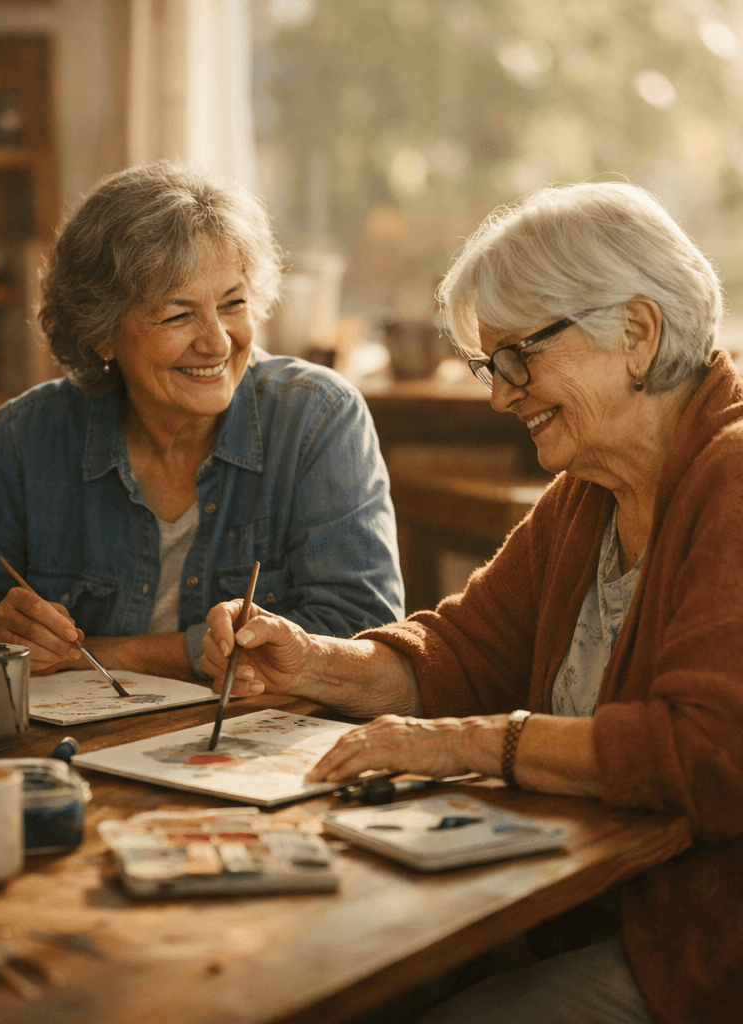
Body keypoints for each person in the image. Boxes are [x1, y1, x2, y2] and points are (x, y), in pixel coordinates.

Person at [203, 182, 743, 1023]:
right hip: (579, 902)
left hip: (699, 946)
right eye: (492, 366)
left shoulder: (733, 475)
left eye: (519, 359)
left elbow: (708, 753)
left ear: (636, 332)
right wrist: (314, 660)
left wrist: (471, 742)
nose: (500, 395)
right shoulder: (588, 493)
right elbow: (459, 655)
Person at [0, 161, 404, 680]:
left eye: (233, 303)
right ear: (101, 333)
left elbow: (363, 632)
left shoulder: (317, 417)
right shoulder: (29, 436)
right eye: (178, 314)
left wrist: (118, 653)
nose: (217, 341)